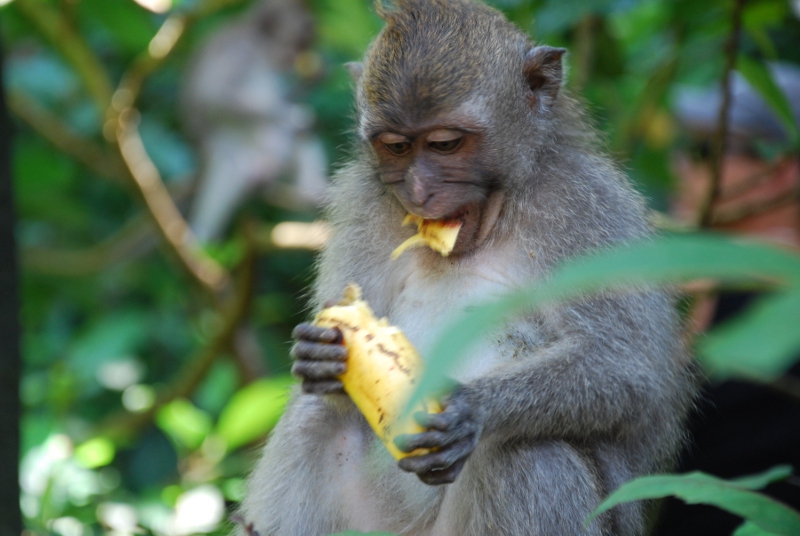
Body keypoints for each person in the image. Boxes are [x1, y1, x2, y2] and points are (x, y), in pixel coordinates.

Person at [654, 63, 800, 535]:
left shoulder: (766, 298)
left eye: (706, 150)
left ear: (782, 170)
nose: (681, 167)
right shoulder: (700, 282)